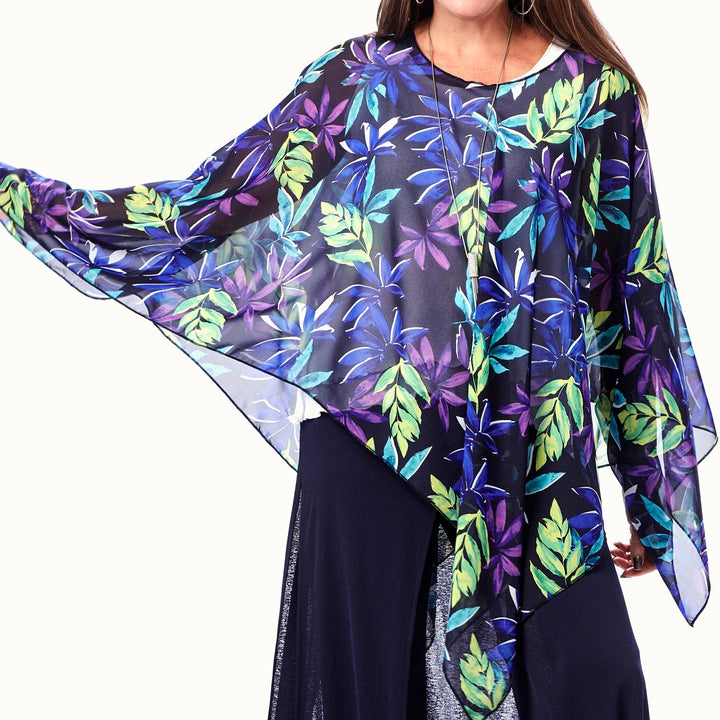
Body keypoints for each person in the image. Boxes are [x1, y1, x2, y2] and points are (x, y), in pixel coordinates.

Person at [0, 1, 716, 719]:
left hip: (536, 461)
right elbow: (207, 209)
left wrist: (654, 490)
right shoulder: (357, 80)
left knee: (592, 676)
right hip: (374, 448)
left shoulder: (593, 95)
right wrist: (26, 197)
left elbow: (631, 293)